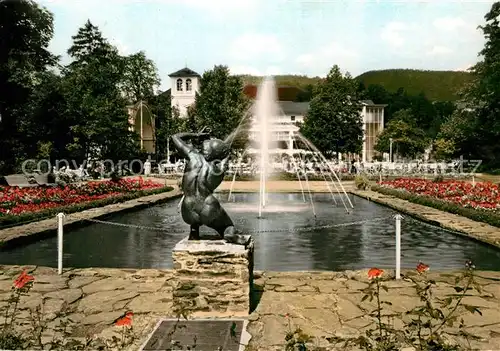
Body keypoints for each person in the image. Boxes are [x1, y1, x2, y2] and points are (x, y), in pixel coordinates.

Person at [171, 131, 248, 245]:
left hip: (187, 209)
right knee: (227, 226)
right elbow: (217, 175)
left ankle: (194, 233)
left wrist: (196, 135)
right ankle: (229, 233)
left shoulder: (192, 156)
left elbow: (175, 136)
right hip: (208, 206)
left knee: (195, 215)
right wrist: (226, 156)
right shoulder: (218, 171)